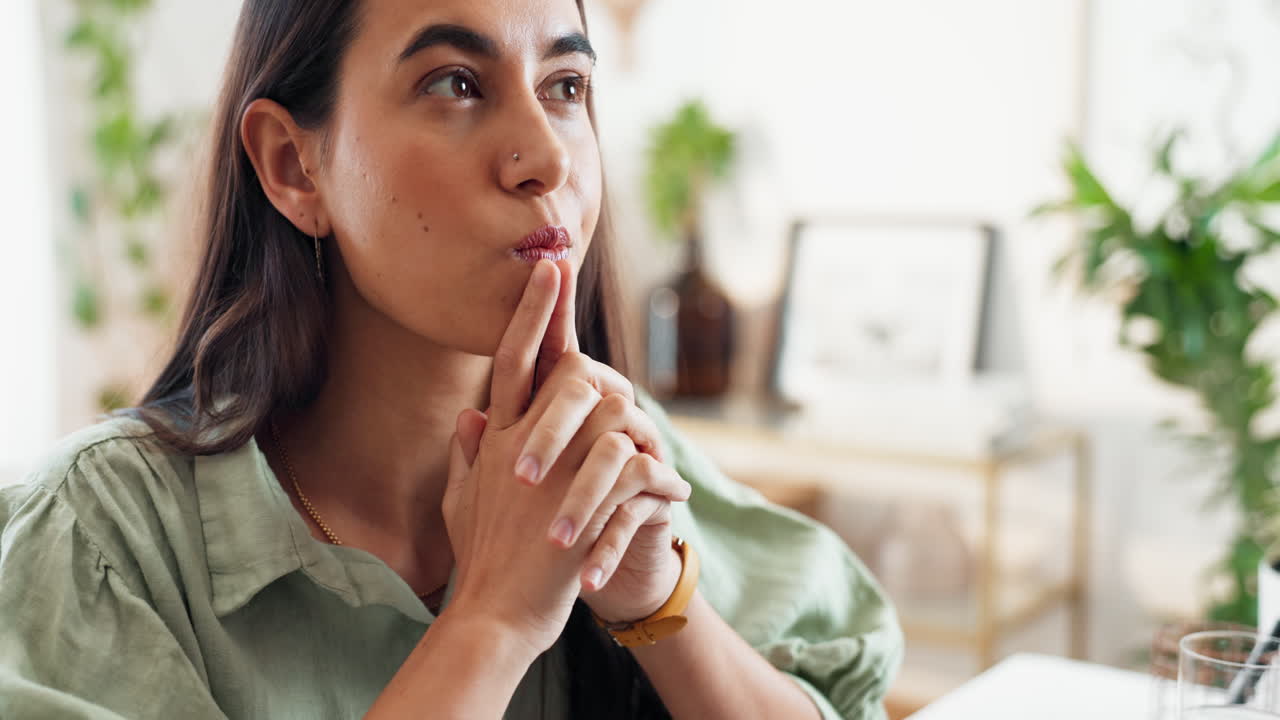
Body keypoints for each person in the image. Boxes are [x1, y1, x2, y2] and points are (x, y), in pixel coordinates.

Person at [0, 0, 902, 717]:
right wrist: (494, 623)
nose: (546, 157)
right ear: (292, 167)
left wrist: (661, 610)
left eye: (567, 85)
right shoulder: (91, 545)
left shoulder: (620, 460)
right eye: (457, 84)